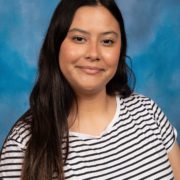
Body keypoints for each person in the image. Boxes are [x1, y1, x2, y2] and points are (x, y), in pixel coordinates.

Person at [0, 0, 180, 179]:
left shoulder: (147, 112)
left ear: (120, 49)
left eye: (107, 41)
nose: (93, 54)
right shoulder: (23, 146)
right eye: (79, 39)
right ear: (56, 45)